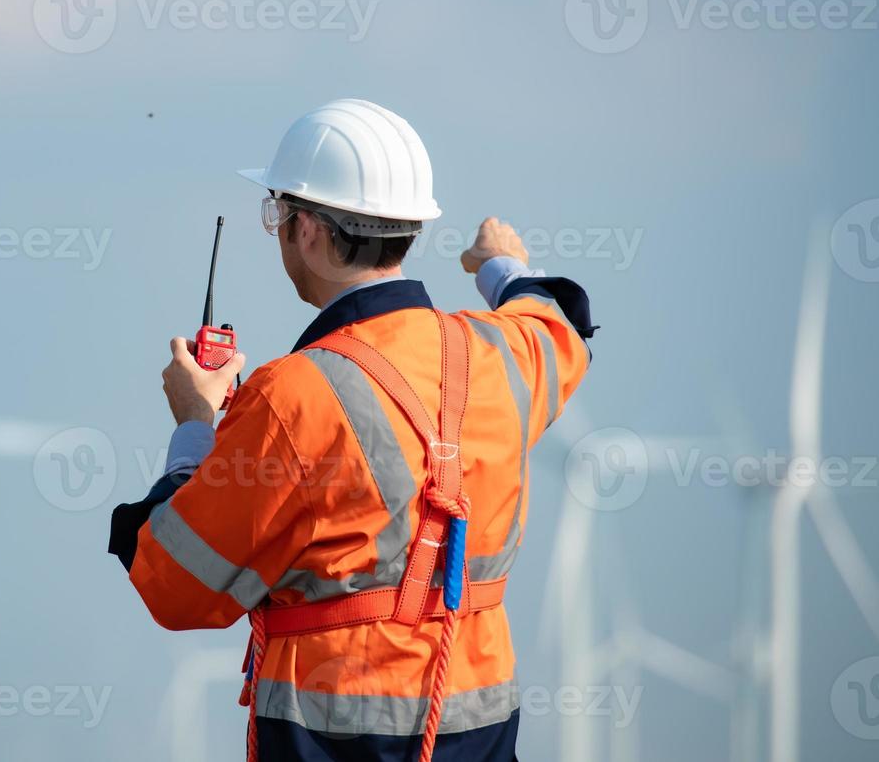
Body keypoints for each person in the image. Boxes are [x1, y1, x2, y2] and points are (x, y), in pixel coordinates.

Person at [108, 99, 596, 762]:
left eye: (277, 213)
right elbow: (559, 320)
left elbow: (176, 584)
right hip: (482, 735)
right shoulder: (504, 355)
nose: (276, 230)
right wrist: (498, 262)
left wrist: (195, 425)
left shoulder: (293, 397)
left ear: (308, 229)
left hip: (333, 743)